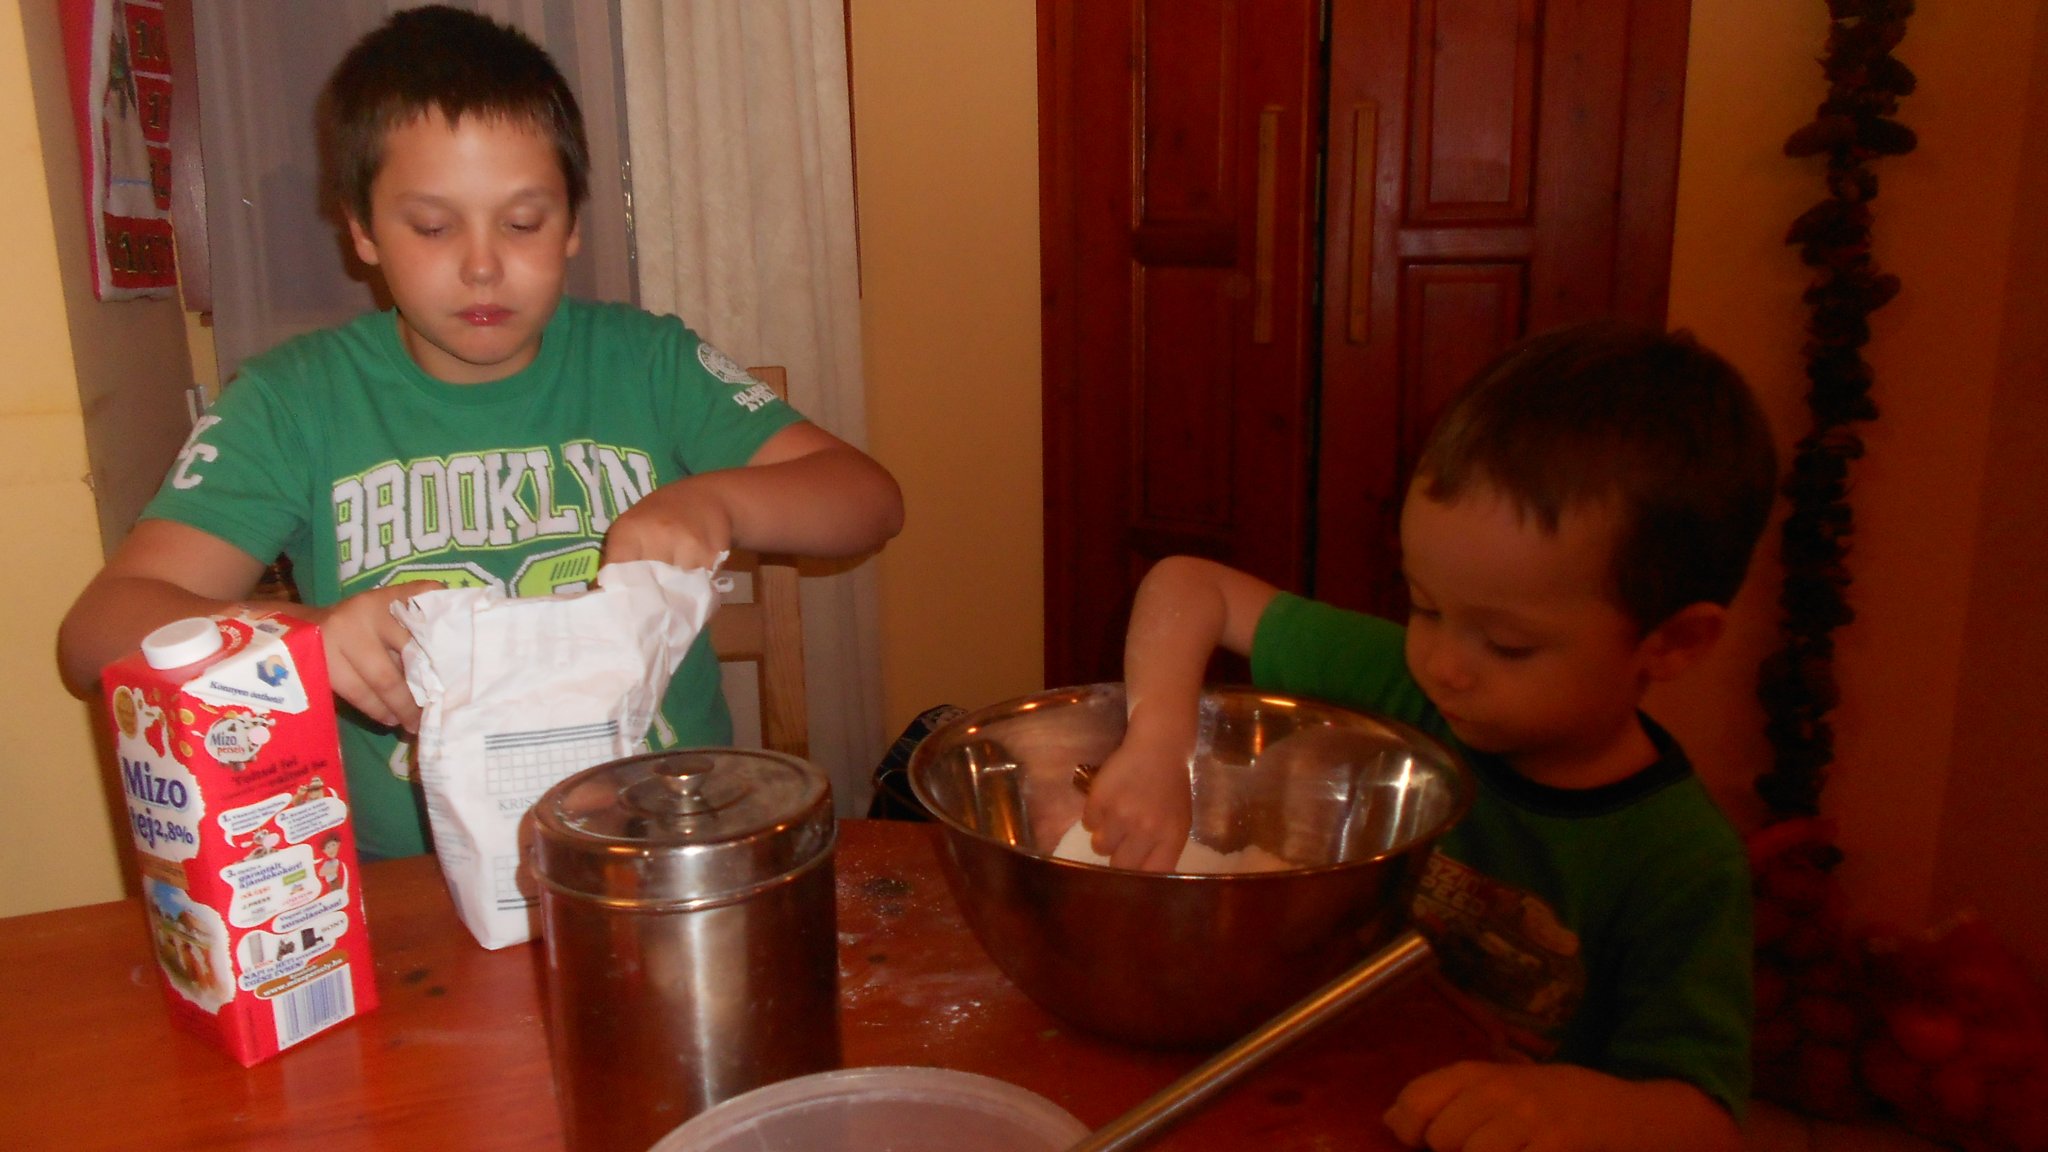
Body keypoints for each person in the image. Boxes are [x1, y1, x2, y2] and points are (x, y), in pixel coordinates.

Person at [58, 6, 903, 861]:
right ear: (361, 229)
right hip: (414, 886)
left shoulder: (649, 362)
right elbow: (95, 635)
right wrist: (302, 640)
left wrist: (718, 501)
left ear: (572, 222)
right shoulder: (293, 400)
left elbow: (867, 500)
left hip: (661, 857)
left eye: (523, 222)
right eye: (432, 227)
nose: (482, 265)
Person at [1082, 320, 1774, 1151]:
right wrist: (1159, 739)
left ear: (1674, 643)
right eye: (1424, 605)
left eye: (1506, 645)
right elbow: (1190, 585)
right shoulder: (1405, 685)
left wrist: (1576, 1107)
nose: (1444, 664)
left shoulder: (1680, 861)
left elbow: (1704, 1119)